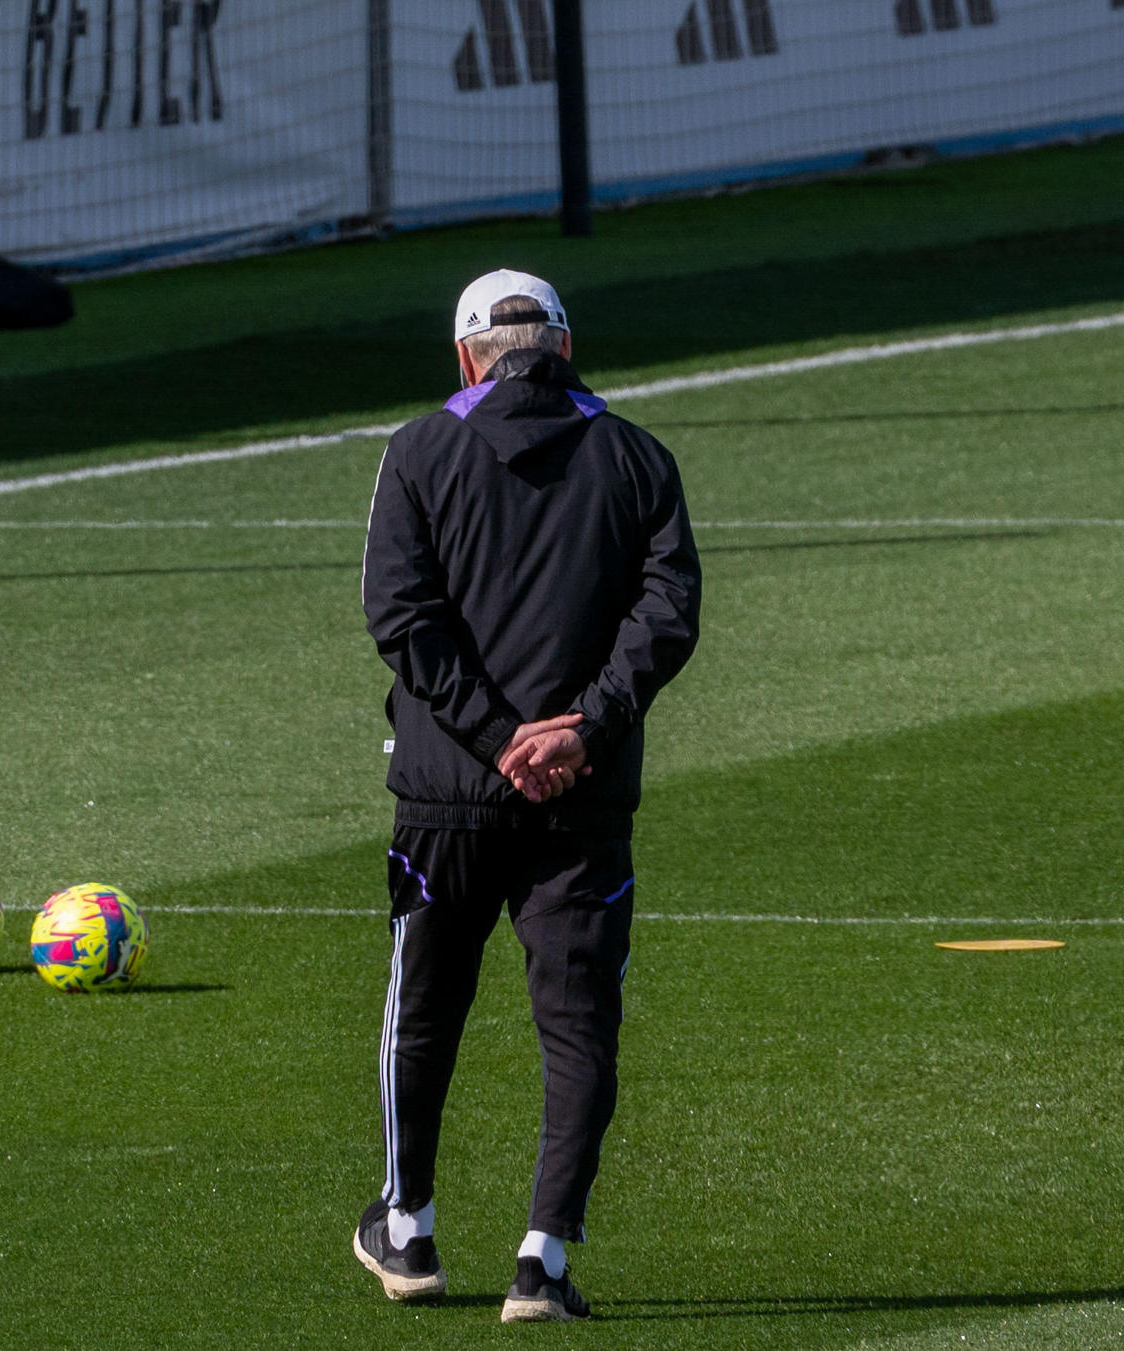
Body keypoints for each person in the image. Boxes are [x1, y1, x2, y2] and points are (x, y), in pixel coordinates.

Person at [353, 269, 701, 1322]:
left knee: (424, 1009)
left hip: (446, 799)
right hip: (582, 805)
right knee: (579, 1025)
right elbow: (669, 613)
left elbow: (401, 618)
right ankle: (541, 1260)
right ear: (563, 345)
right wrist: (583, 728)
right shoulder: (639, 457)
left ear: (467, 355)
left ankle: (407, 1228)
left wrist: (500, 738)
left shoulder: (417, 451)